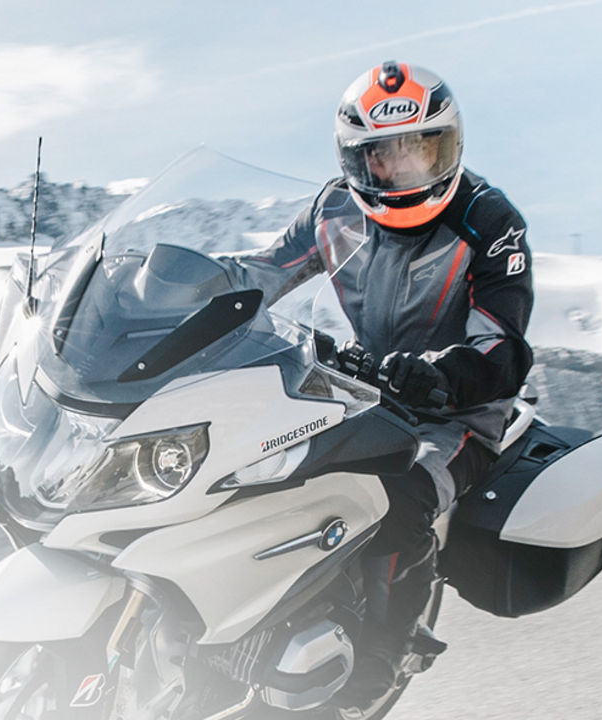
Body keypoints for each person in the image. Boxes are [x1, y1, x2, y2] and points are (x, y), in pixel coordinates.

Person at [227, 60, 534, 712]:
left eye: (419, 151)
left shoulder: (489, 222)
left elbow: (503, 349)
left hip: (457, 416)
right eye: (381, 157)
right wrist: (188, 290)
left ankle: (379, 662)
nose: (400, 171)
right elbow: (259, 274)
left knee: (401, 497)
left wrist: (441, 376)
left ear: (448, 146)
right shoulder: (333, 209)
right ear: (354, 160)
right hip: (356, 392)